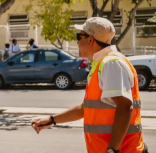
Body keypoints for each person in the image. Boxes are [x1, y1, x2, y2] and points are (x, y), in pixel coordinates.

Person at [31, 17, 148, 153]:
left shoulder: (111, 63)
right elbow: (86, 108)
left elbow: (125, 107)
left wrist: (112, 150)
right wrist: (52, 120)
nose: (77, 41)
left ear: (90, 40)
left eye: (79, 36)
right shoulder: (102, 63)